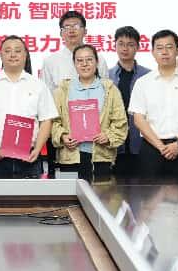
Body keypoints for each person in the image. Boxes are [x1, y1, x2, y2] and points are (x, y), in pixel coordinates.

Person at [0, 36, 57, 178]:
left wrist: (38, 148)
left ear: (25, 55)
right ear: (0, 54)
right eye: (7, 51)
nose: (13, 55)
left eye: (17, 51)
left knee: (30, 193)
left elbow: (46, 119)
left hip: (29, 156)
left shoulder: (38, 85)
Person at [128, 30, 178, 179]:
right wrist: (161, 147)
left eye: (169, 47)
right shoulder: (143, 83)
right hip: (152, 149)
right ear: (152, 52)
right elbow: (138, 119)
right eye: (159, 48)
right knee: (150, 192)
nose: (164, 52)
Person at [52, 45, 127, 181]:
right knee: (70, 193)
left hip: (101, 157)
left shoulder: (110, 89)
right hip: (70, 157)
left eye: (89, 59)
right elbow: (53, 122)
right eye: (79, 60)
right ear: (74, 63)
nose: (84, 64)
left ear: (97, 62)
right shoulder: (62, 90)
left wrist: (108, 136)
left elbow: (120, 122)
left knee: (101, 193)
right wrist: (63, 136)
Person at [108, 26, 151, 177]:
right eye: (121, 44)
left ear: (138, 47)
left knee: (144, 186)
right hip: (114, 142)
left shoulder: (148, 76)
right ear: (115, 45)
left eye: (130, 44)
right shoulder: (106, 76)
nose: (125, 48)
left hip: (142, 141)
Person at [41, 11, 110, 92]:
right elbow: (46, 94)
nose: (71, 30)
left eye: (76, 26)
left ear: (85, 31)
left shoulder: (99, 59)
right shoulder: (50, 62)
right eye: (67, 27)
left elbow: (106, 91)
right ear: (61, 33)